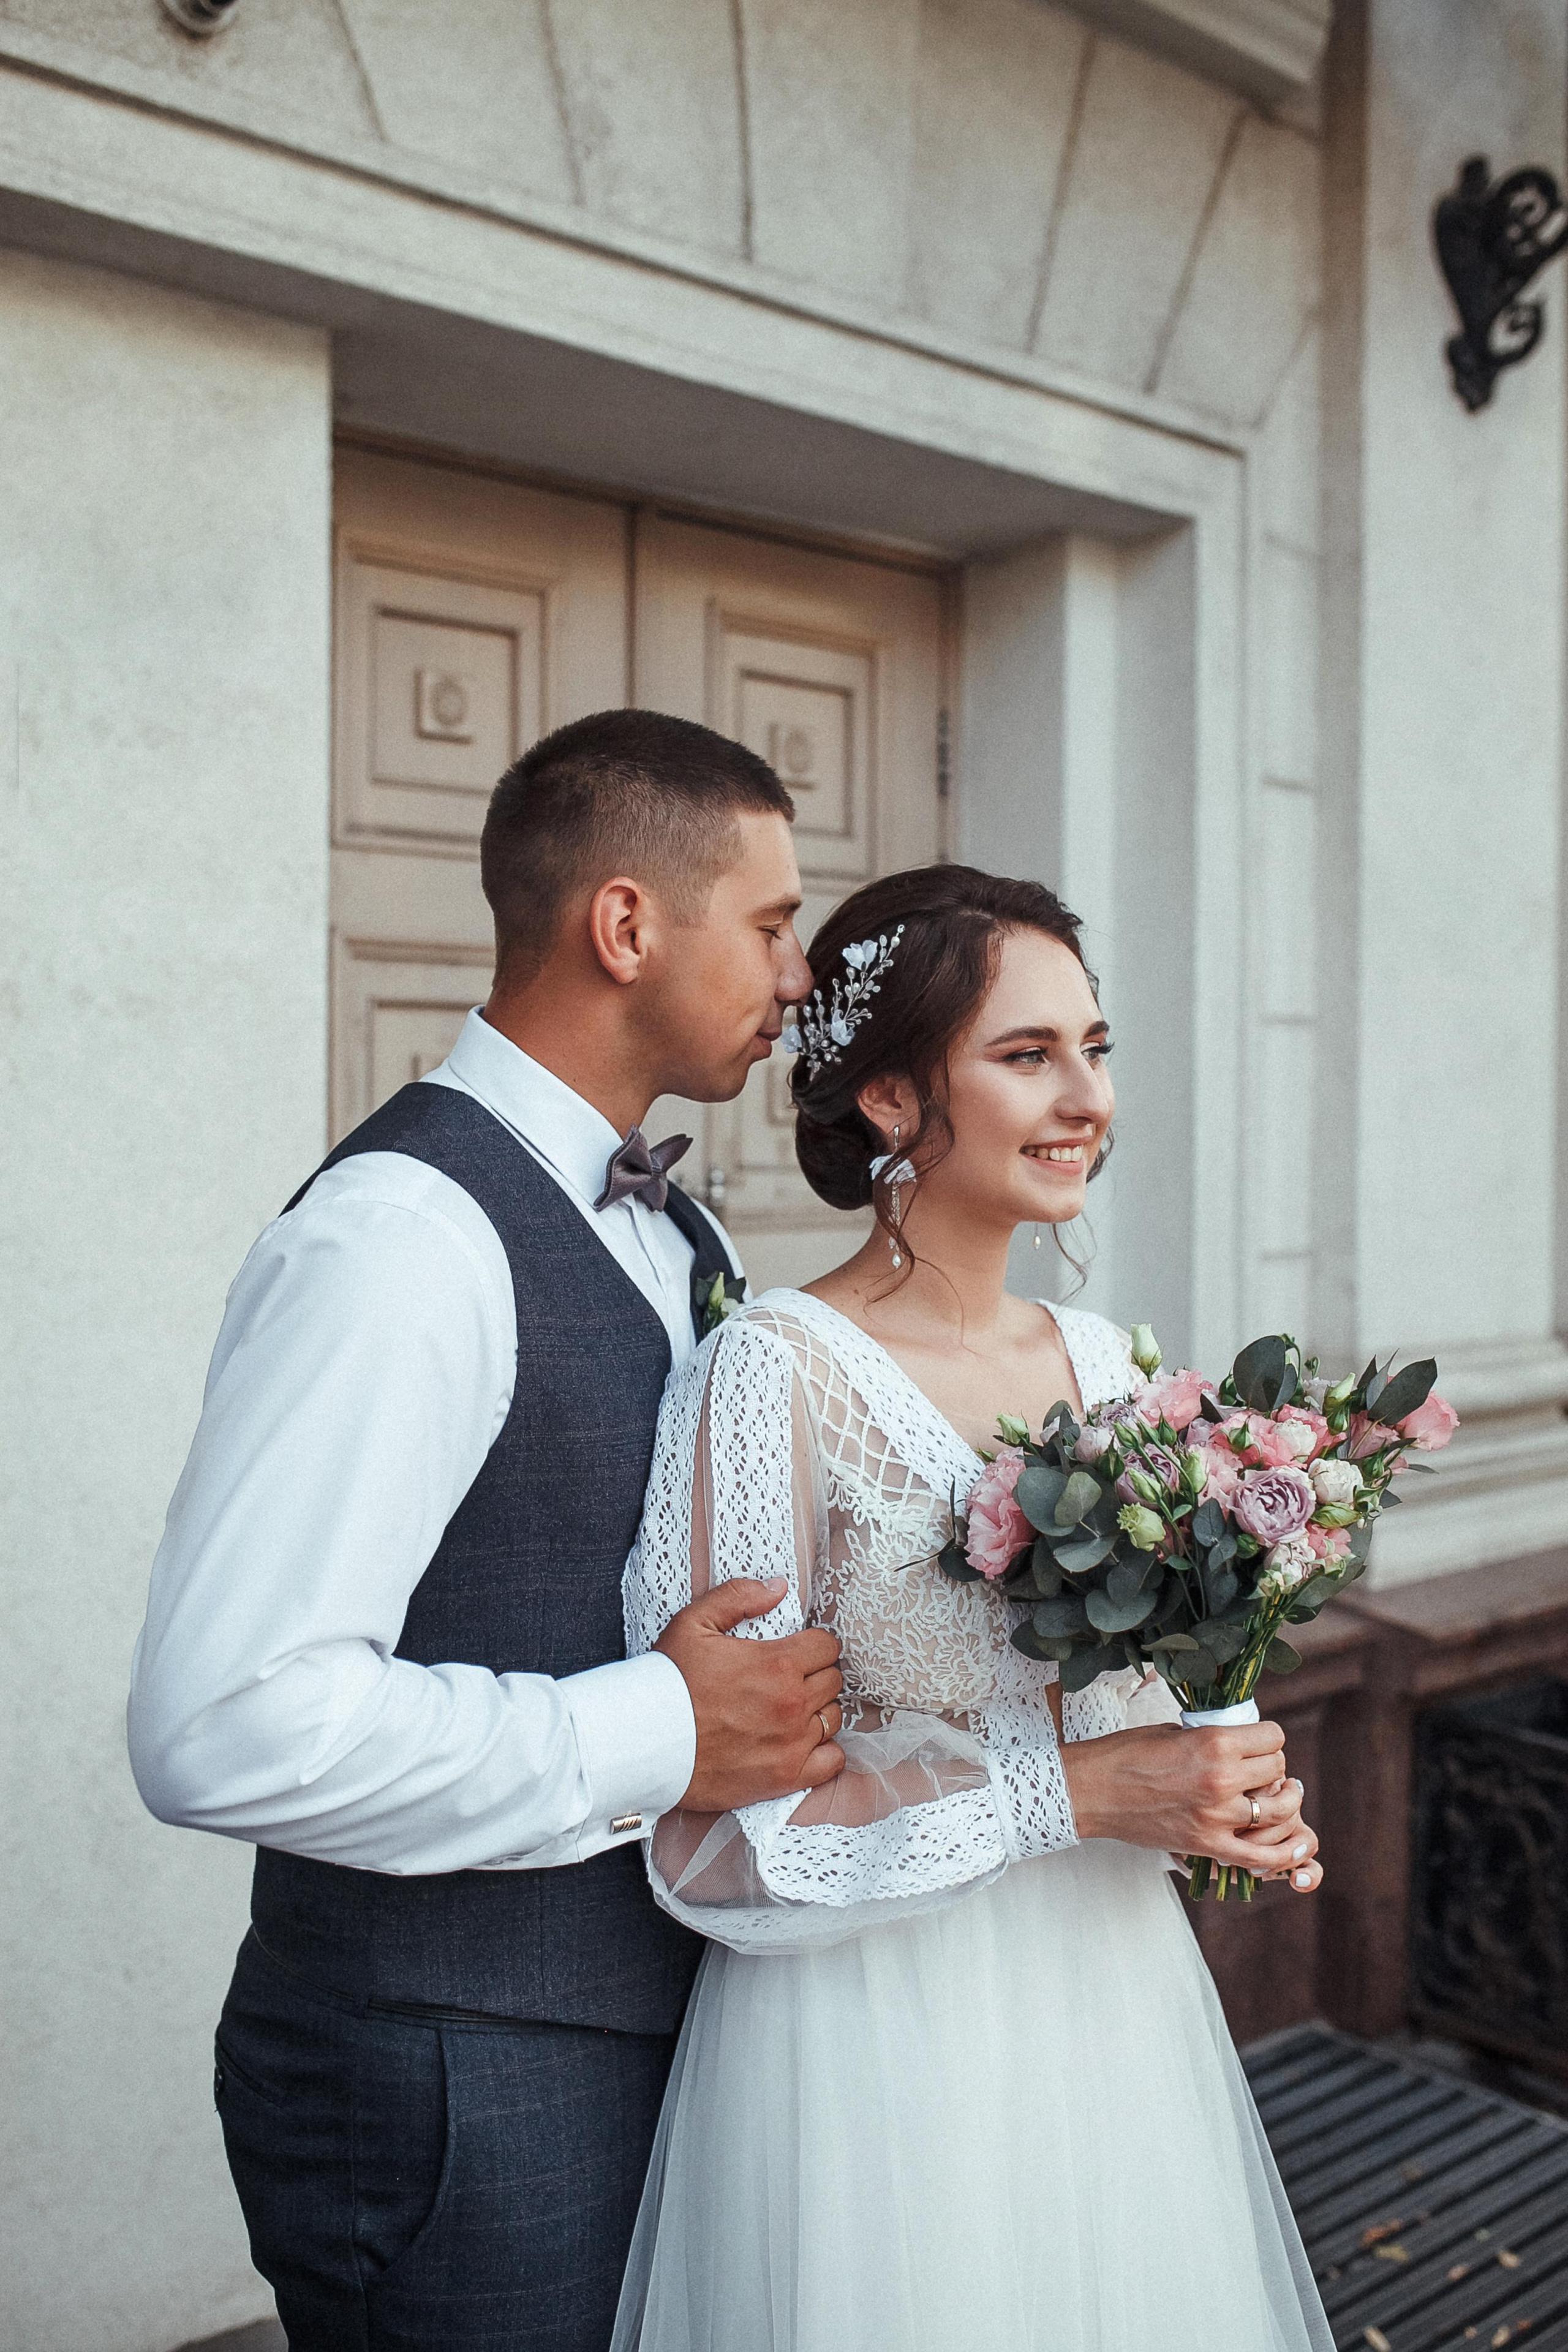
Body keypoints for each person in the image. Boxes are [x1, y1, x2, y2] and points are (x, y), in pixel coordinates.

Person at [127, 709, 850, 2352]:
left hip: (638, 2031)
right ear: (624, 925)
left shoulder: (677, 1227)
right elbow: (224, 1728)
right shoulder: (401, 1241)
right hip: (445, 2085)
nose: (798, 973)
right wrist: (661, 1725)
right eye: (770, 922)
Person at [614, 864, 1334, 2352]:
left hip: (1115, 2013)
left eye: (1095, 1047)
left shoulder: (1109, 1362)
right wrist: (1074, 1793)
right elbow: (715, 1844)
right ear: (886, 1100)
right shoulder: (773, 1375)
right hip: (879, 2048)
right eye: (1025, 1056)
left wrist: (1223, 1780)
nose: (1085, 1097)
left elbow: (1151, 1700)